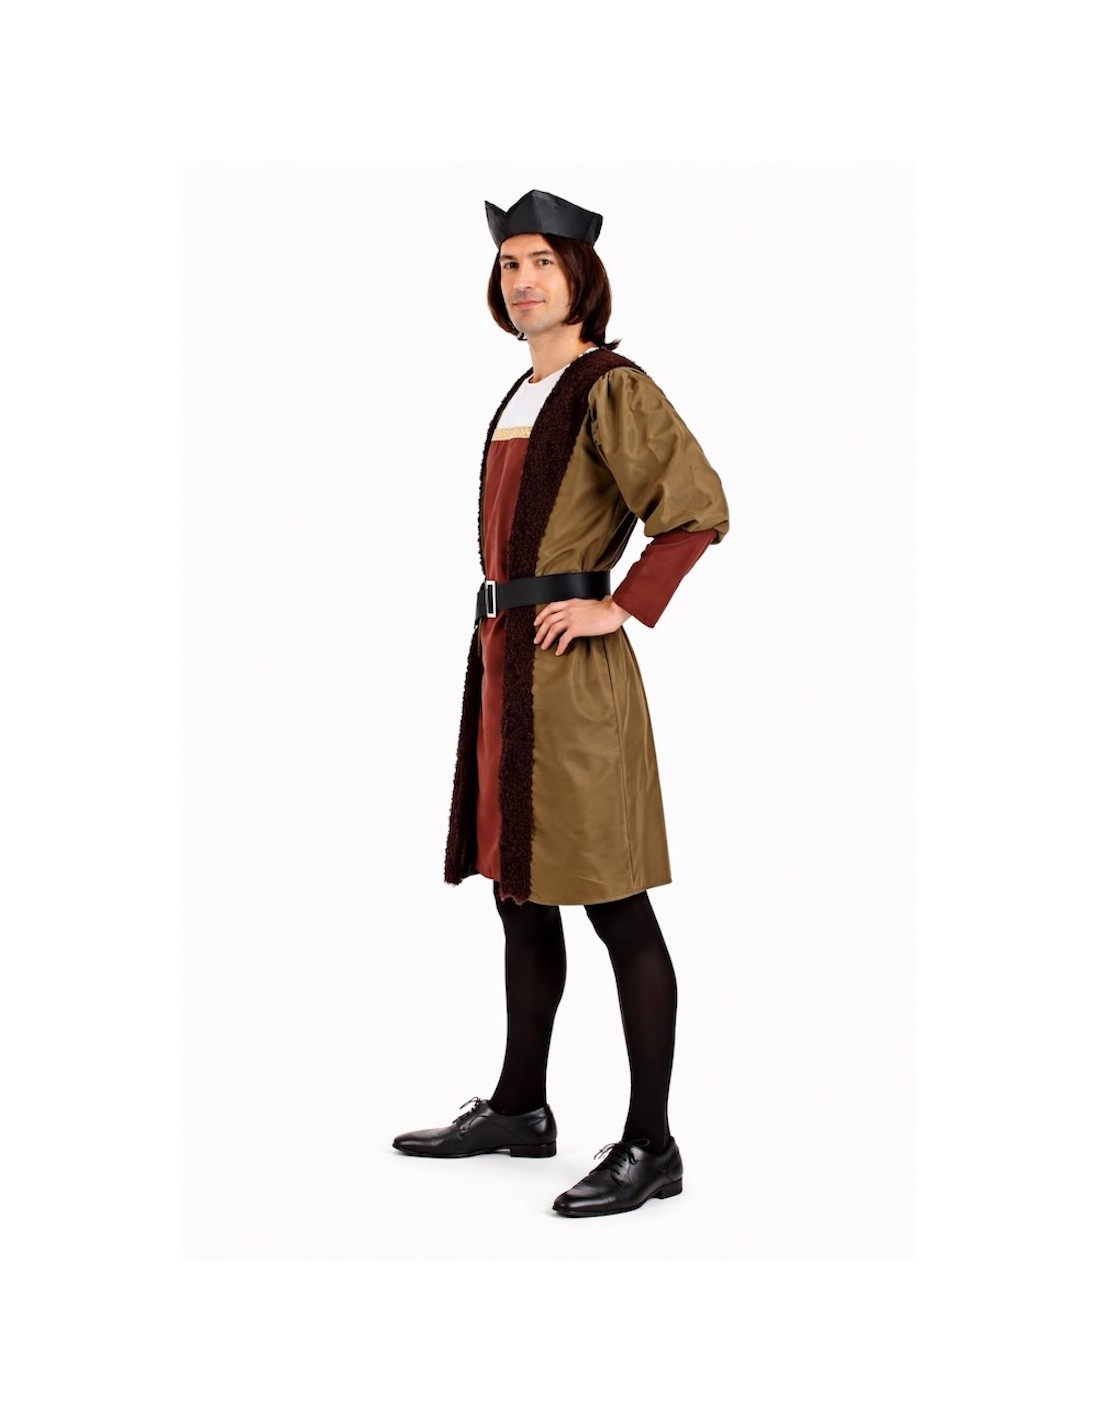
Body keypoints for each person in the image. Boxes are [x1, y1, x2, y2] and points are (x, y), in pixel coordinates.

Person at [393, 188, 730, 1217]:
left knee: (614, 903)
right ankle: (519, 1107)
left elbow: (695, 510)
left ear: (580, 276)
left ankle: (651, 1144)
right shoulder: (522, 392)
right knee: (519, 893)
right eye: (510, 264)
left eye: (541, 262)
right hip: (506, 669)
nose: (523, 280)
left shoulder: (608, 385)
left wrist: (616, 605)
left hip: (573, 683)